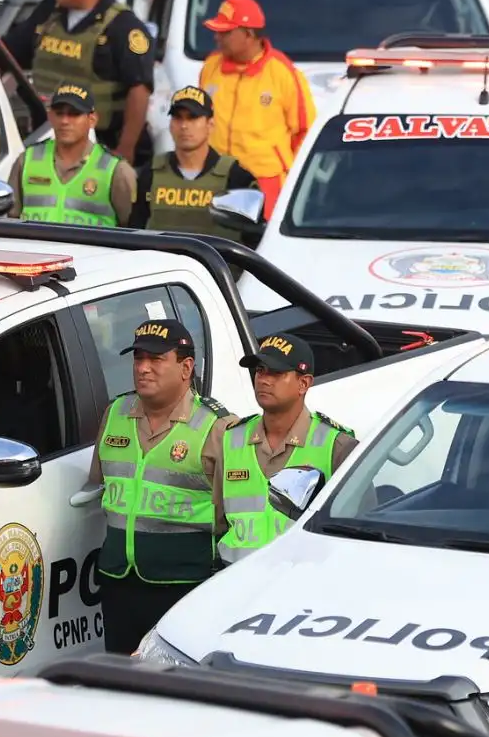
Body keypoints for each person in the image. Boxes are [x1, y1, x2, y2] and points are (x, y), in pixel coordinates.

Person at [84, 320, 236, 654]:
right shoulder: (116, 413)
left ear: (186, 367)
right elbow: (100, 484)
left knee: (173, 679)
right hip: (118, 580)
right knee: (121, 677)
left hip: (184, 584)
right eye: (138, 358)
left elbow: (234, 517)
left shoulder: (217, 427)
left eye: (155, 359)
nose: (143, 368)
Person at [6, 0, 155, 163]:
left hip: (101, 145)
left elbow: (139, 90)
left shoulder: (123, 27)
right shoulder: (48, 12)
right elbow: (8, 55)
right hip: (45, 139)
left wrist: (126, 148)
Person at [217, 334, 358, 565]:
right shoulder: (232, 439)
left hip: (298, 580)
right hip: (235, 578)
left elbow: (353, 535)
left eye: (276, 372)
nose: (263, 380)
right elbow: (219, 521)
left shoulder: (336, 445)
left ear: (304, 383)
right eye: (260, 370)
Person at [197, 0, 316, 220]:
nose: (216, 37)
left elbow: (304, 132)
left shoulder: (282, 72)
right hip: (215, 177)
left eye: (225, 32)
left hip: (265, 183)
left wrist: (290, 178)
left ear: (249, 34)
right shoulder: (211, 66)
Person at [137, 85, 258, 237]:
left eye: (192, 118)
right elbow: (134, 229)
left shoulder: (236, 177)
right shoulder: (151, 173)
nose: (184, 126)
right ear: (170, 125)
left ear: (210, 124)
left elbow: (254, 239)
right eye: (178, 118)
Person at [10, 85, 138, 227]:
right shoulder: (27, 160)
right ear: (50, 116)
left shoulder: (115, 170)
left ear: (92, 120)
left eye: (74, 114)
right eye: (59, 113)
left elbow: (133, 227)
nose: (65, 121)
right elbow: (9, 220)